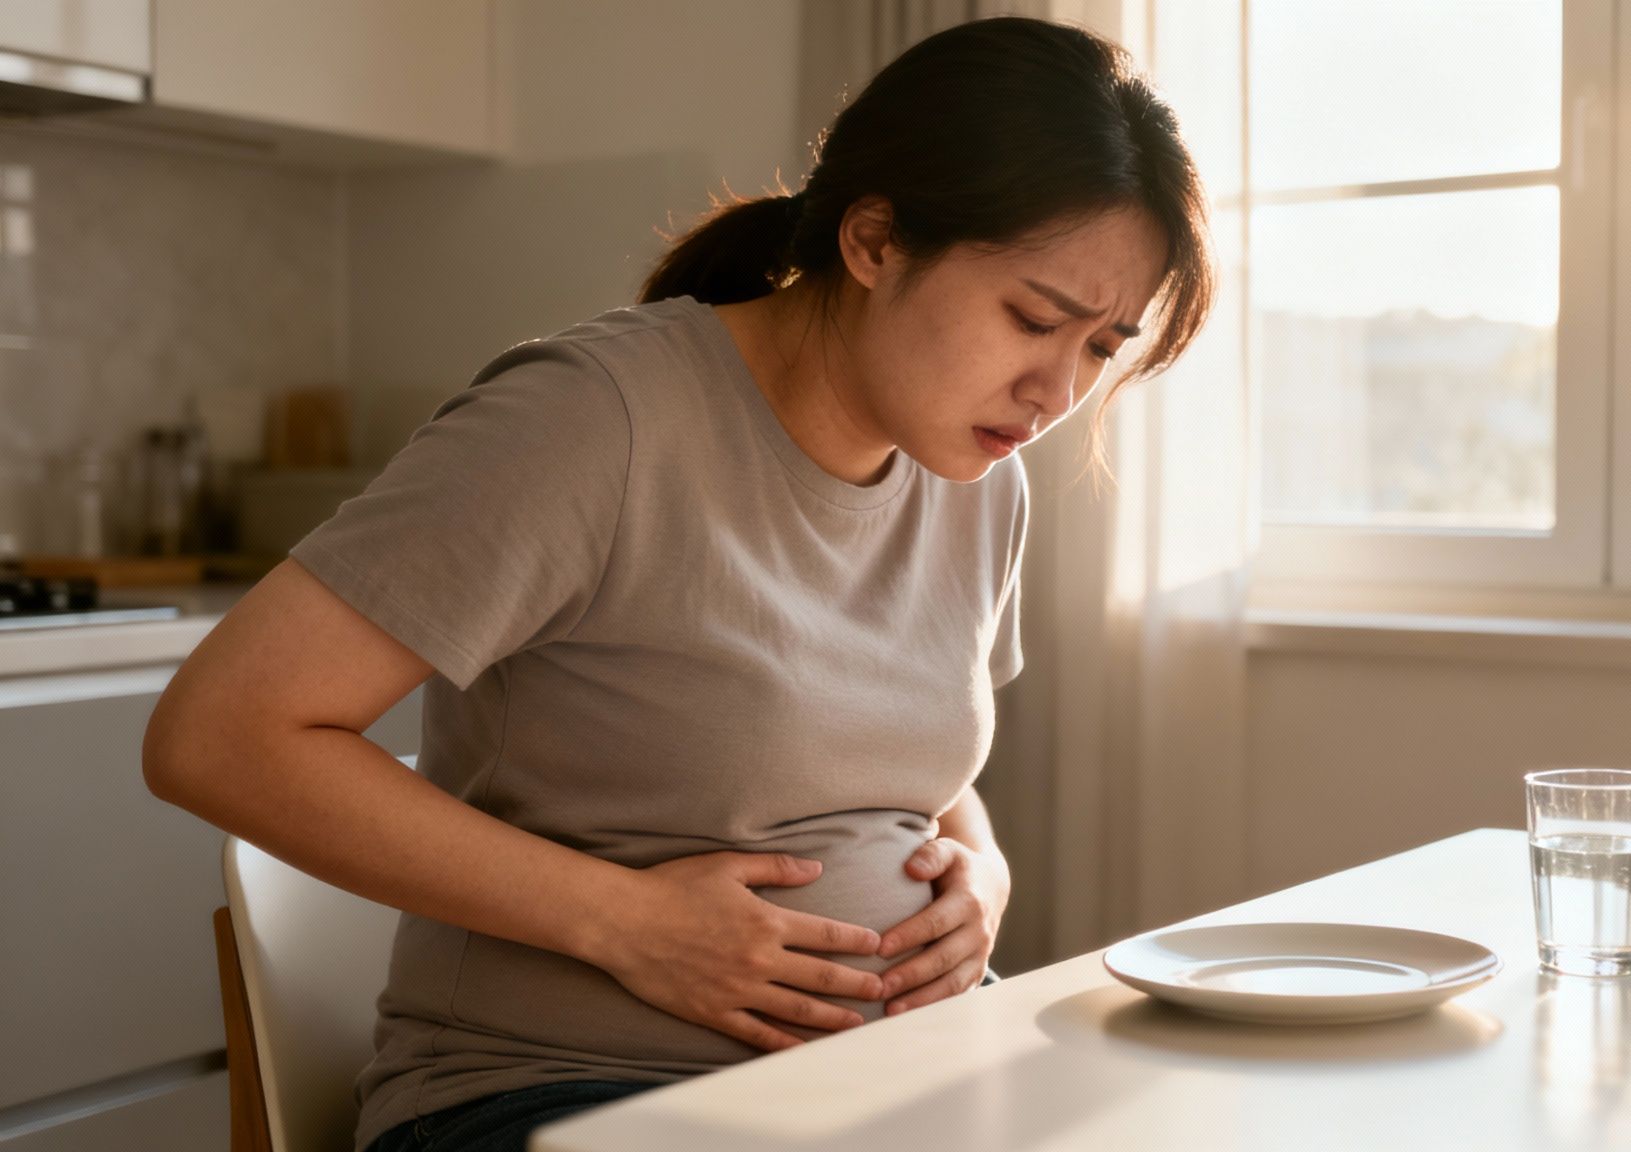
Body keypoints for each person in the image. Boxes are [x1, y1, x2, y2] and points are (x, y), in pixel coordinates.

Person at [143, 15, 1213, 1152]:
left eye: (1101, 348)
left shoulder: (978, 475)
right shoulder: (593, 423)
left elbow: (912, 769)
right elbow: (218, 735)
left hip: (904, 1083)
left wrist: (982, 871)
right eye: (1033, 318)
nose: (1054, 389)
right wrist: (626, 923)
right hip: (555, 1093)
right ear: (874, 241)